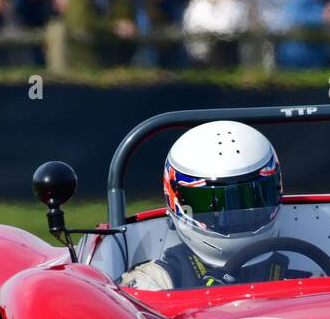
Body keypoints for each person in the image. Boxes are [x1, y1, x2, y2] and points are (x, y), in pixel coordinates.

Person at [120, 121, 311, 290]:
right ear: (177, 204)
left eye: (250, 200)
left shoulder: (308, 272)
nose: (234, 216)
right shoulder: (154, 283)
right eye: (213, 206)